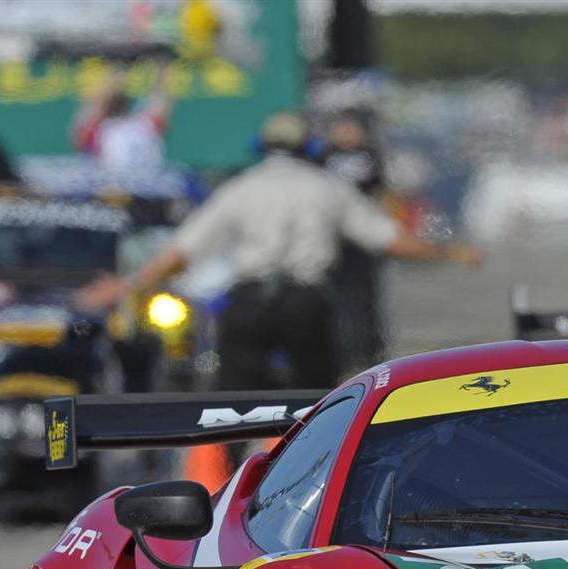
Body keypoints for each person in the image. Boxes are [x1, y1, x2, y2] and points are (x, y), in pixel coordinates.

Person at [77, 111, 476, 390]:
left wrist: (129, 285)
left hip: (248, 304)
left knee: (235, 403)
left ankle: (233, 479)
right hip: (306, 303)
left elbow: (183, 251)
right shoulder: (326, 186)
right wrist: (449, 252)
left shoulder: (243, 187)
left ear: (261, 146)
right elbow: (386, 238)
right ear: (310, 147)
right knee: (319, 402)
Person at [319, 109, 388, 371]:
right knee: (337, 298)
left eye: (352, 129)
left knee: (366, 296)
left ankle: (369, 349)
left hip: (365, 235)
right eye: (343, 129)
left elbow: (381, 191)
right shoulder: (325, 157)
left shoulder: (370, 156)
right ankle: (341, 349)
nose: (348, 135)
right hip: (335, 238)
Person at [71, 65, 174, 175]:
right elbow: (161, 103)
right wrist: (162, 69)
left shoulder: (100, 131)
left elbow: (94, 106)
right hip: (149, 186)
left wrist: (117, 66)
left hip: (112, 185)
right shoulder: (144, 127)